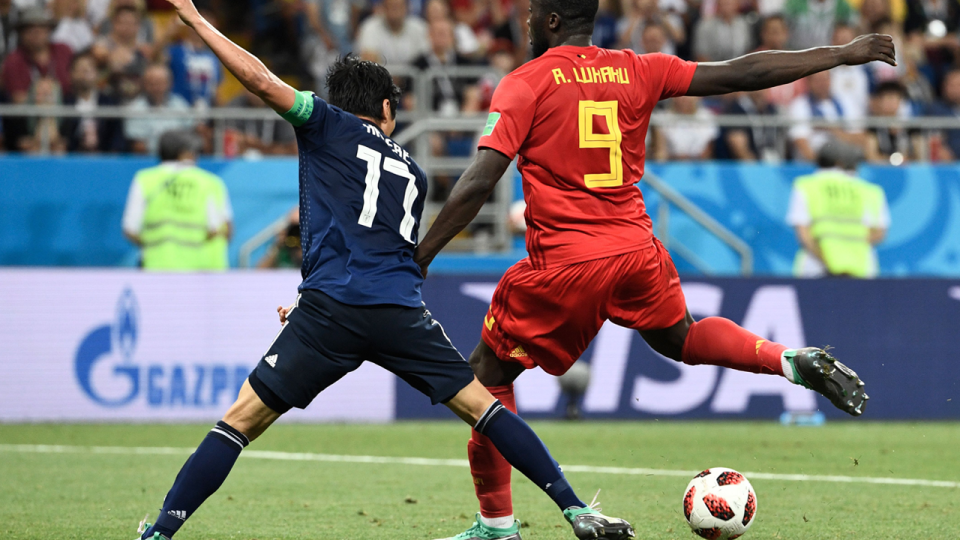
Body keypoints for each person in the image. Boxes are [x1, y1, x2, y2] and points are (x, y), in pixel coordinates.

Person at [136, 3, 634, 540]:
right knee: (482, 408)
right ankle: (576, 509)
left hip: (331, 311)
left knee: (239, 422)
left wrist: (196, 19)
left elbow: (259, 80)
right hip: (398, 310)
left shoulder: (324, 123)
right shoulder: (414, 174)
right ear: (387, 109)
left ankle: (160, 530)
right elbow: (382, 248)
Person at [413, 1, 888, 538]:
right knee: (679, 337)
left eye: (529, 17)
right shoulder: (639, 67)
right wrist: (841, 54)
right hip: (638, 250)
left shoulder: (526, 82)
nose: (524, 26)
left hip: (569, 261)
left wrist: (423, 253)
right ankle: (788, 360)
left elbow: (479, 180)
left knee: (486, 379)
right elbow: (743, 72)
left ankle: (496, 526)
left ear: (549, 22)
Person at [122, 129, 232, 271]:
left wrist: (154, 246)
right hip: (201, 270)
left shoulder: (144, 179)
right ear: (186, 153)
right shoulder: (210, 182)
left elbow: (130, 228)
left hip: (156, 266)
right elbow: (218, 228)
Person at [787, 143, 889, 278]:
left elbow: (804, 234)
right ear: (842, 163)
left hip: (815, 268)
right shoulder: (869, 191)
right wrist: (846, 259)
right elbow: (878, 234)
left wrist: (830, 261)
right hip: (859, 269)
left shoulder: (806, 186)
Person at [60, 51, 126, 152]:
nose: (84, 73)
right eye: (80, 69)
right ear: (71, 74)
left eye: (88, 69)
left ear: (96, 73)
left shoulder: (110, 102)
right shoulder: (64, 103)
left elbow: (117, 136)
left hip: (104, 158)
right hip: (72, 157)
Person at [124, 63, 195, 154]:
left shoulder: (180, 104)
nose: (156, 88)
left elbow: (189, 134)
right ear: (144, 84)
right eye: (152, 83)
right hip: (148, 159)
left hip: (178, 159)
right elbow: (138, 145)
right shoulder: (135, 108)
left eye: (160, 83)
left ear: (169, 83)